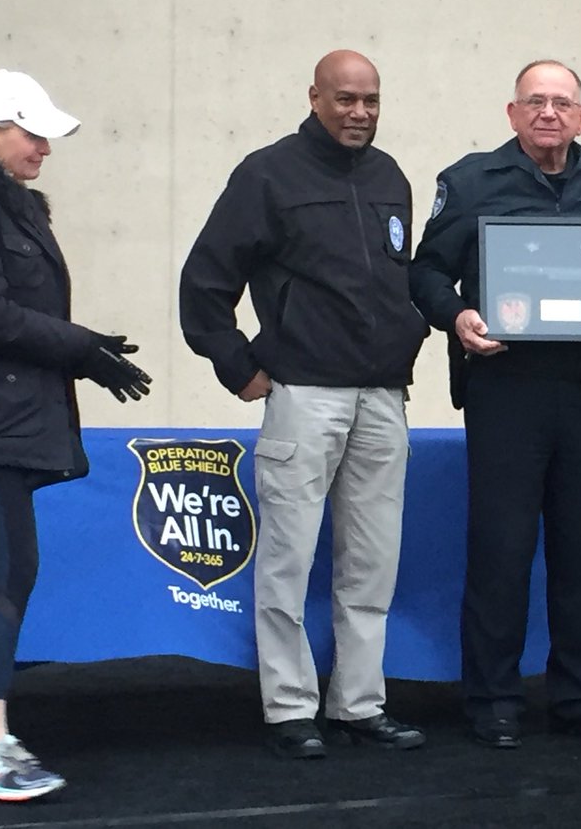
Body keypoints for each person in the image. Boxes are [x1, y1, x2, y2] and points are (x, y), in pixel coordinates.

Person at [179, 50, 430, 759]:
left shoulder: (390, 179)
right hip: (304, 395)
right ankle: (289, 708)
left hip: (383, 396)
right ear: (314, 97)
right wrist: (239, 367)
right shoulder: (267, 174)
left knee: (372, 564)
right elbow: (203, 284)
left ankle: (358, 704)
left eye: (371, 100)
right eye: (345, 99)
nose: (359, 113)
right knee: (288, 561)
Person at [409, 60, 581, 749]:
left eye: (562, 103)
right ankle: (492, 700)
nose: (549, 113)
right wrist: (458, 315)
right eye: (535, 102)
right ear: (512, 113)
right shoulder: (469, 182)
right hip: (506, 394)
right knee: (501, 550)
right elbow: (426, 272)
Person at [0, 70, 151, 800]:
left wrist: (84, 355)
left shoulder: (0, 208)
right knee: (9, 573)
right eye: (30, 132)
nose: (44, 146)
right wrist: (79, 345)